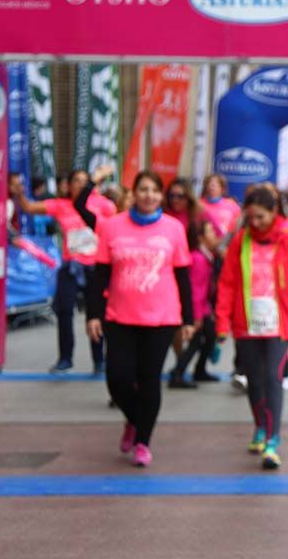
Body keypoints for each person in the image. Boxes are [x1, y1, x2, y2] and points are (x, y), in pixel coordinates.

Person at [84, 170, 195, 468]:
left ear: (161, 196)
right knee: (117, 379)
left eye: (155, 191)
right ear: (133, 193)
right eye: (143, 189)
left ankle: (143, 441)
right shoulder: (111, 227)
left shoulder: (173, 228)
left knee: (149, 381)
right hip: (119, 316)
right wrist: (93, 314)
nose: (149, 196)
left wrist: (188, 318)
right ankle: (134, 420)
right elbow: (100, 276)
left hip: (161, 318)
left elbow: (184, 275)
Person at [216, 185, 288, 469]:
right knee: (255, 380)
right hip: (247, 323)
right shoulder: (241, 241)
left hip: (279, 324)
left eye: (261, 217)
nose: (256, 223)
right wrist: (222, 323)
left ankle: (273, 441)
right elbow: (227, 283)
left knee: (274, 377)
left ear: (274, 212)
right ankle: (260, 427)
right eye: (251, 217)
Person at [14, 167, 114, 374]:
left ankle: (99, 360)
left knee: (95, 314)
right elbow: (29, 207)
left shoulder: (103, 204)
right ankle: (65, 358)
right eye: (76, 180)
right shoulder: (61, 205)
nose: (79, 184)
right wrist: (19, 193)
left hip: (96, 267)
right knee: (65, 311)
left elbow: (115, 226)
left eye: (84, 180)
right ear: (68, 184)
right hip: (71, 266)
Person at [167, 218, 221, 386]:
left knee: (210, 337)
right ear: (200, 238)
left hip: (203, 308)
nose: (215, 235)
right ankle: (178, 373)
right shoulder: (198, 259)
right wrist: (195, 317)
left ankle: (198, 370)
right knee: (196, 341)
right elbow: (196, 291)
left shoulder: (206, 256)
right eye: (210, 232)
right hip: (198, 309)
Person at [200, 172, 241, 242]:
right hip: (205, 243)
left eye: (216, 184)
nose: (211, 186)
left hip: (226, 243)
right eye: (209, 183)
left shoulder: (232, 205)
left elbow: (237, 227)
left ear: (222, 188)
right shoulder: (199, 204)